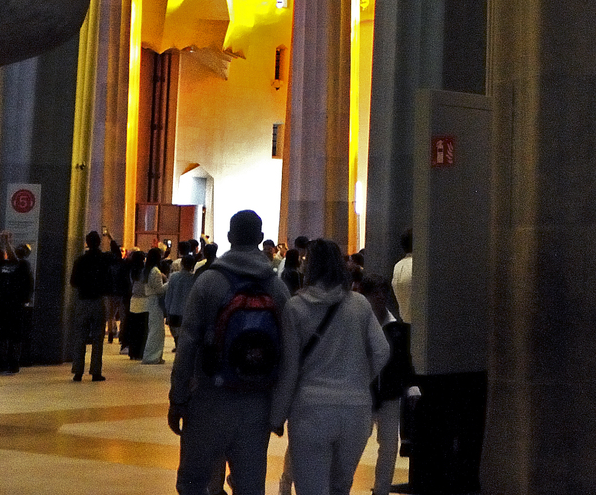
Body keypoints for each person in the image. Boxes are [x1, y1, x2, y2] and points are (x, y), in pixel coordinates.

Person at [170, 210, 290, 495]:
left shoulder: (209, 282)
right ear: (261, 238)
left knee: (192, 482)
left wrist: (178, 397)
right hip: (257, 402)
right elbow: (287, 352)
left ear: (228, 237)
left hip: (209, 397)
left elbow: (187, 343)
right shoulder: (276, 287)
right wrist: (279, 410)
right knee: (249, 486)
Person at [273, 239, 390, 495]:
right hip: (356, 410)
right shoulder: (359, 304)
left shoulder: (296, 307)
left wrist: (277, 415)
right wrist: (361, 379)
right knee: (340, 488)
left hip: (310, 409)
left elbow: (289, 369)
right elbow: (382, 350)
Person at [365, 273, 415, 495]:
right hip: (366, 394)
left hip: (389, 393)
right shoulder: (362, 324)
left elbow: (404, 361)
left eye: (383, 292)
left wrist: (410, 386)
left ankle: (381, 490)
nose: (380, 297)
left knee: (388, 446)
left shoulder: (396, 328)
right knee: (355, 443)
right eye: (375, 292)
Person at [68, 230, 119, 381]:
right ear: (99, 242)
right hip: (98, 300)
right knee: (98, 337)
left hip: (83, 300)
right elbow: (117, 255)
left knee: (80, 337)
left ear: (87, 243)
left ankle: (78, 371)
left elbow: (73, 282)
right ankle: (96, 371)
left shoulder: (80, 260)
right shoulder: (104, 258)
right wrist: (111, 239)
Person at [0, 233, 34, 373]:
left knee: (14, 335)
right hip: (3, 304)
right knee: (3, 335)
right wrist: (1, 244)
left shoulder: (23, 265)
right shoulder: (3, 264)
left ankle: (13, 362)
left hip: (15, 305)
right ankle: (2, 361)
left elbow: (28, 283)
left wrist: (6, 243)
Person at [161, 243, 200, 364]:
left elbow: (169, 294)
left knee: (176, 332)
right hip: (188, 311)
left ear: (182, 264)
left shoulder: (174, 277)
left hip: (174, 309)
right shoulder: (194, 278)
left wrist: (166, 309)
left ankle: (178, 346)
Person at [137, 248, 171, 363]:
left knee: (153, 329)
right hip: (156, 301)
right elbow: (159, 289)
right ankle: (153, 356)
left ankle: (153, 355)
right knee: (157, 330)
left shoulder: (147, 270)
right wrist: (169, 283)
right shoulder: (155, 271)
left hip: (150, 300)